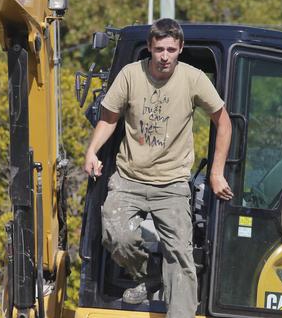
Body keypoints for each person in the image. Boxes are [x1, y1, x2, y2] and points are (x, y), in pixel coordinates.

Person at [82, 18, 233, 317]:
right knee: (116, 235)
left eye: (171, 49)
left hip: (172, 185)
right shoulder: (130, 75)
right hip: (129, 179)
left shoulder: (194, 78)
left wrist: (216, 173)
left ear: (180, 49)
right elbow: (109, 119)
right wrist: (91, 151)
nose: (165, 56)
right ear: (150, 48)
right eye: (159, 49)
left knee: (180, 258)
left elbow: (223, 121)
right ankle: (148, 273)